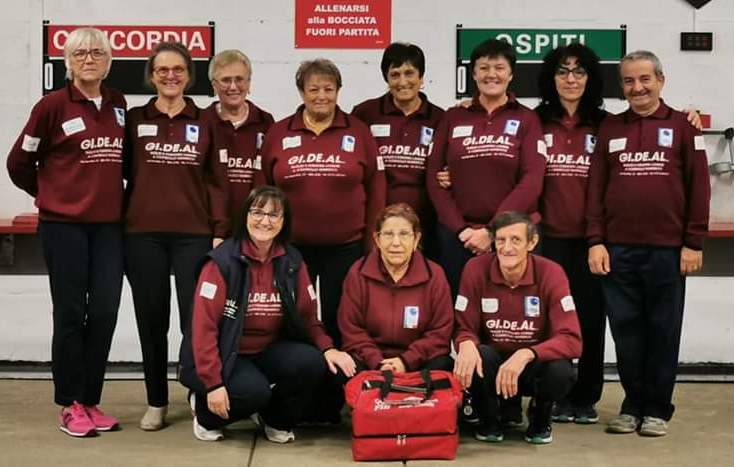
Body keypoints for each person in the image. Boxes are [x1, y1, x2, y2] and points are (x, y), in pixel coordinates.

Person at [6, 27, 124, 438]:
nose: (89, 59)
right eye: (80, 53)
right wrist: (51, 194)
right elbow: (19, 161)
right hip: (64, 228)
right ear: (68, 62)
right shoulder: (51, 106)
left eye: (96, 52)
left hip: (109, 228)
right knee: (71, 315)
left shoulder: (117, 103)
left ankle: (91, 400)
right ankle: (70, 403)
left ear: (108, 61)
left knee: (106, 313)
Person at [586, 50, 710, 437]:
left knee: (662, 330)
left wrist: (693, 242)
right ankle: (632, 404)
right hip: (618, 250)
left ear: (660, 80)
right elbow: (595, 189)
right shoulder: (609, 128)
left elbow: (700, 187)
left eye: (644, 79)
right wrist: (596, 241)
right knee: (626, 332)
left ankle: (657, 408)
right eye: (628, 81)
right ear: (621, 85)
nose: (637, 87)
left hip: (668, 251)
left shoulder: (684, 126)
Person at [258, 59, 385, 422]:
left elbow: (376, 188)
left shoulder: (358, 132)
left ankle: (333, 403)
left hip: (344, 247)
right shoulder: (280, 133)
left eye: (328, 88)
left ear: (338, 92)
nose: (321, 95)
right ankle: (293, 400)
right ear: (301, 92)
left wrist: (372, 243)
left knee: (337, 321)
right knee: (293, 322)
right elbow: (263, 191)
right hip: (289, 250)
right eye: (313, 88)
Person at [179, 185, 355, 443]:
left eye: (274, 215)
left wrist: (328, 349)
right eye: (258, 212)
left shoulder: (292, 261)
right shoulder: (221, 262)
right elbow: (203, 329)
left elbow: (309, 317)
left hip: (266, 350)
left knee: (313, 363)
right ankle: (205, 413)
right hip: (226, 353)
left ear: (284, 222)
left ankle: (274, 419)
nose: (265, 221)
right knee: (254, 392)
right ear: (245, 216)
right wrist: (213, 384)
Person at [124, 41, 229, 431]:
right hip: (142, 236)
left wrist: (219, 230)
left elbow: (217, 183)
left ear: (189, 75)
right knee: (151, 321)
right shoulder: (134, 119)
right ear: (152, 76)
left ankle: (199, 392)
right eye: (162, 70)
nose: (170, 76)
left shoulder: (205, 121)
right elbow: (117, 175)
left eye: (178, 70)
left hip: (193, 236)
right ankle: (156, 400)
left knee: (196, 322)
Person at [426, 38, 546, 299]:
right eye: (484, 67)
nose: (491, 74)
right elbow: (434, 178)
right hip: (459, 238)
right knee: (462, 316)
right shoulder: (453, 117)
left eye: (499, 67)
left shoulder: (527, 118)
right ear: (474, 73)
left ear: (511, 74)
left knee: (513, 315)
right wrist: (461, 230)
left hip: (512, 235)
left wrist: (493, 230)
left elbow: (532, 180)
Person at [453, 211, 581, 445]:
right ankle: (489, 419)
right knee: (472, 354)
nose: (507, 248)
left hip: (530, 365)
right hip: (491, 365)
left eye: (516, 240)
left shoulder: (551, 272)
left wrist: (527, 353)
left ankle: (540, 418)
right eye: (501, 240)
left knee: (561, 370)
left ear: (532, 243)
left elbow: (572, 339)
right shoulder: (475, 269)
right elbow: (463, 327)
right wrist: (465, 343)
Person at [351, 43, 444, 259]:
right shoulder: (365, 113)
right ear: (386, 79)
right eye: (395, 74)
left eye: (409, 73)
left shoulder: (440, 118)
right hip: (376, 224)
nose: (403, 82)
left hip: (425, 224)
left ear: (422, 77)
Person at [338, 203, 453, 375]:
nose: (396, 243)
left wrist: (406, 361)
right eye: (388, 234)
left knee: (444, 364)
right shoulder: (358, 273)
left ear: (416, 239)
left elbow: (440, 332)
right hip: (370, 361)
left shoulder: (435, 275)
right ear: (377, 239)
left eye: (404, 234)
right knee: (342, 368)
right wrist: (377, 362)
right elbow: (351, 328)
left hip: (418, 361)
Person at [203, 49, 274, 223]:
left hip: (256, 226)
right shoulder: (202, 121)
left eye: (240, 79)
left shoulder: (266, 122)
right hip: (208, 227)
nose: (233, 87)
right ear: (214, 85)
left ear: (249, 83)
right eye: (226, 80)